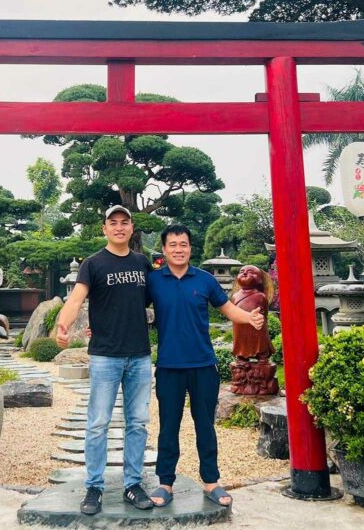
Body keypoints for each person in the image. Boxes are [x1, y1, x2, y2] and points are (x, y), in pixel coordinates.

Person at [146, 224, 266, 508]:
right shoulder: (153, 281)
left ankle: (211, 481)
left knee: (205, 425)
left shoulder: (204, 280)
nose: (178, 249)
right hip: (168, 367)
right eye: (173, 244)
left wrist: (250, 318)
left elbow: (227, 309)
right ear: (164, 249)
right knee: (168, 426)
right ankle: (165, 482)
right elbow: (129, 308)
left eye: (184, 244)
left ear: (190, 248)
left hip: (203, 365)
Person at [54, 205, 154, 515]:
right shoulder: (93, 264)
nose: (120, 227)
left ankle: (132, 483)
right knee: (98, 423)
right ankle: (94, 486)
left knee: (137, 422)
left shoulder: (142, 263)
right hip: (105, 356)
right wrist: (63, 324)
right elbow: (76, 297)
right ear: (105, 229)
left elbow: (153, 300)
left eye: (125, 222)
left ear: (132, 227)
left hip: (139, 355)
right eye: (114, 223)